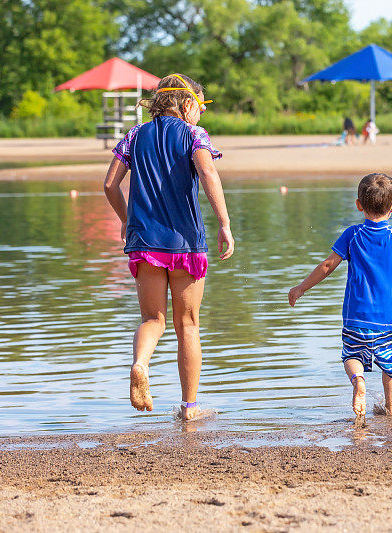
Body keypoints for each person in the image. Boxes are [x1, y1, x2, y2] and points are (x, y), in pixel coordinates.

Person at [103, 73, 235, 421]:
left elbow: (109, 185)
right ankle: (189, 408)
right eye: (201, 107)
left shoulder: (134, 135)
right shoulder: (193, 134)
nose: (201, 115)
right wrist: (224, 223)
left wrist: (128, 220)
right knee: (188, 324)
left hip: (144, 241)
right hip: (185, 242)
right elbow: (208, 173)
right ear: (188, 104)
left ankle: (140, 363)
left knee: (152, 318)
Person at [288, 173, 392, 421]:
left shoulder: (352, 235)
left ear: (359, 205)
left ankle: (358, 382)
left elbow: (328, 265)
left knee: (351, 355)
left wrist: (302, 287)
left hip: (355, 319)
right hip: (387, 321)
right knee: (391, 364)